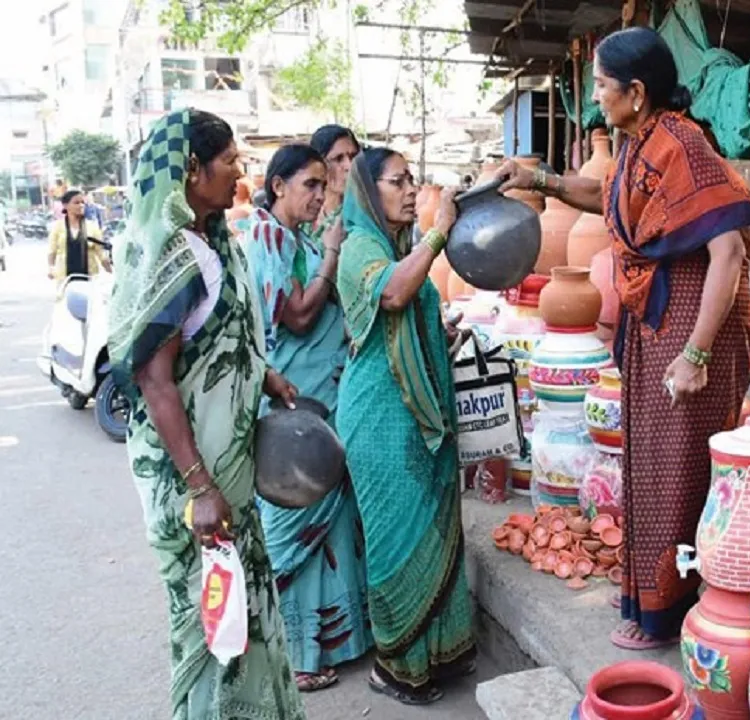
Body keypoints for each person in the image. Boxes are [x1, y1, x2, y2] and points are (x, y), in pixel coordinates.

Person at [499, 27, 750, 650]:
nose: (596, 96)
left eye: (602, 85)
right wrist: (538, 179)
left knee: (681, 466)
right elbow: (608, 198)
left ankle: (682, 612)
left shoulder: (682, 144)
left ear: (637, 91)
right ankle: (658, 605)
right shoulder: (638, 143)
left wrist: (697, 355)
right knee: (653, 461)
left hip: (690, 324)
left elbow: (728, 249)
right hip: (659, 323)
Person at [106, 108, 306, 719]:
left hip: (229, 476)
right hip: (199, 486)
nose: (240, 174)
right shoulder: (171, 255)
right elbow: (155, 379)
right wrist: (201, 488)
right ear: (191, 170)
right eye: (229, 163)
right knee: (214, 628)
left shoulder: (212, 238)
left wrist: (260, 374)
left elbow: (217, 337)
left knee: (245, 619)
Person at [335, 147, 475, 705]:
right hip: (381, 419)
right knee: (397, 541)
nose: (412, 189)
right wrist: (438, 235)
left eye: (414, 179)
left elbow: (405, 319)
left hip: (418, 413)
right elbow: (392, 293)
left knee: (434, 530)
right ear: (371, 191)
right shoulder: (359, 249)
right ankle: (396, 667)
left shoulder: (393, 246)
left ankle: (439, 654)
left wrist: (438, 339)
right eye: (399, 181)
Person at [244, 143, 373, 692]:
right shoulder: (270, 235)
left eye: (325, 185)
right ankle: (292, 657)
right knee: (294, 522)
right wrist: (331, 256)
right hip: (295, 402)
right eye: (311, 185)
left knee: (328, 525)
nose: (321, 195)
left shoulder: (291, 236)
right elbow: (295, 315)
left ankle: (328, 646)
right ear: (278, 186)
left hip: (323, 398)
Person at [48, 189, 111, 281]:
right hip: (65, 279)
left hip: (89, 277)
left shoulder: (92, 226)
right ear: (65, 206)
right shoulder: (57, 227)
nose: (81, 205)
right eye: (76, 203)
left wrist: (110, 270)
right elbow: (52, 251)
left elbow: (100, 253)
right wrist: (51, 268)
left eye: (83, 203)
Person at [310, 124, 360, 238]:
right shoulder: (306, 213)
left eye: (353, 157)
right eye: (338, 159)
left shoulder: (363, 214)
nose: (349, 165)